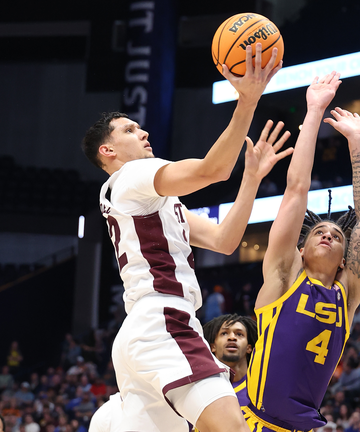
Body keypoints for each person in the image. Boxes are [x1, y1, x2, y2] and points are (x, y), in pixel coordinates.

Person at [81, 43, 284, 432]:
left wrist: (252, 179)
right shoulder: (132, 176)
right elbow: (213, 170)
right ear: (108, 151)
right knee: (233, 428)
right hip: (164, 321)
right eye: (129, 130)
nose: (142, 133)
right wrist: (247, 101)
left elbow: (224, 240)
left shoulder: (149, 199)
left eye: (139, 127)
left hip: (140, 333)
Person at [243, 73, 360, 431]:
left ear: (346, 260)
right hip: (249, 418)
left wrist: (357, 141)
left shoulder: (345, 296)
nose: (328, 235)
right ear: (300, 249)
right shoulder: (284, 275)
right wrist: (314, 112)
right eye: (319, 231)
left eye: (336, 235)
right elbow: (296, 189)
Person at [203, 313, 258, 408]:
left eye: (239, 334)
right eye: (224, 333)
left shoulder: (263, 388)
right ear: (213, 347)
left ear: (249, 348)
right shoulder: (201, 391)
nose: (232, 337)